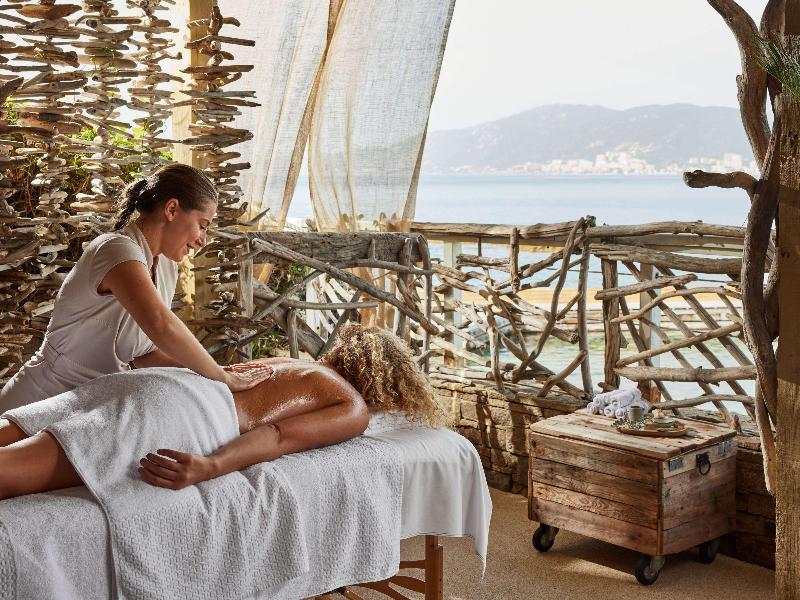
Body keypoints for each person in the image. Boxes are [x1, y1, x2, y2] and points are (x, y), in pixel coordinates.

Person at [0, 322, 448, 500]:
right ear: (388, 383)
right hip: (181, 409)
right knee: (12, 473)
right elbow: (277, 437)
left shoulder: (290, 362)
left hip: (158, 383)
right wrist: (210, 466)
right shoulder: (351, 405)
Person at [0, 164, 271, 412]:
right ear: (172, 209)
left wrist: (214, 373)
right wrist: (221, 376)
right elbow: (160, 325)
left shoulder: (166, 267)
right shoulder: (116, 250)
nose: (203, 241)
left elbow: (143, 355)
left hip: (83, 410)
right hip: (38, 400)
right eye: (202, 226)